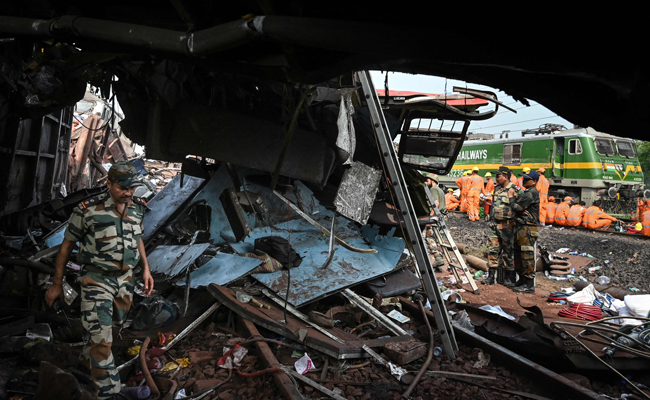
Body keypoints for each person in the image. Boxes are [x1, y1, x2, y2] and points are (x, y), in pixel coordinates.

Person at [45, 162, 154, 400]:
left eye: (132, 189)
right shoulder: (87, 211)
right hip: (96, 281)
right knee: (102, 341)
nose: (128, 193)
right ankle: (111, 394)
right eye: (123, 188)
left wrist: (146, 269)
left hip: (125, 281)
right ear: (109, 184)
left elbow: (138, 239)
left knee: (108, 335)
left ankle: (84, 372)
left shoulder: (136, 209)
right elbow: (65, 249)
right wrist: (56, 284)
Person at [484, 166, 523, 286]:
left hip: (508, 227)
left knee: (508, 253)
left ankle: (508, 279)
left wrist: (517, 221)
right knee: (492, 251)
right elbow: (494, 206)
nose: (496, 178)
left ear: (505, 177)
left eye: (498, 176)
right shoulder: (497, 189)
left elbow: (521, 208)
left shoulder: (516, 190)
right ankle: (491, 277)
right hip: (495, 226)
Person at [511, 170, 540, 293]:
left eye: (527, 179)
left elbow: (517, 207)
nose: (523, 180)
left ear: (534, 182)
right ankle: (522, 280)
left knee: (526, 256)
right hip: (522, 226)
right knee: (519, 255)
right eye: (523, 178)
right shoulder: (527, 193)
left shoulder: (531, 193)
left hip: (527, 227)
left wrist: (512, 199)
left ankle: (528, 284)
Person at [423, 173, 446, 270]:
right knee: (439, 239)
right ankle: (439, 263)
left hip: (436, 217)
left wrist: (430, 218)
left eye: (427, 180)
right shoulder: (440, 190)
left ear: (432, 181)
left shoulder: (433, 189)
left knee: (429, 237)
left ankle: (437, 257)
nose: (426, 183)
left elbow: (435, 203)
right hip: (443, 217)